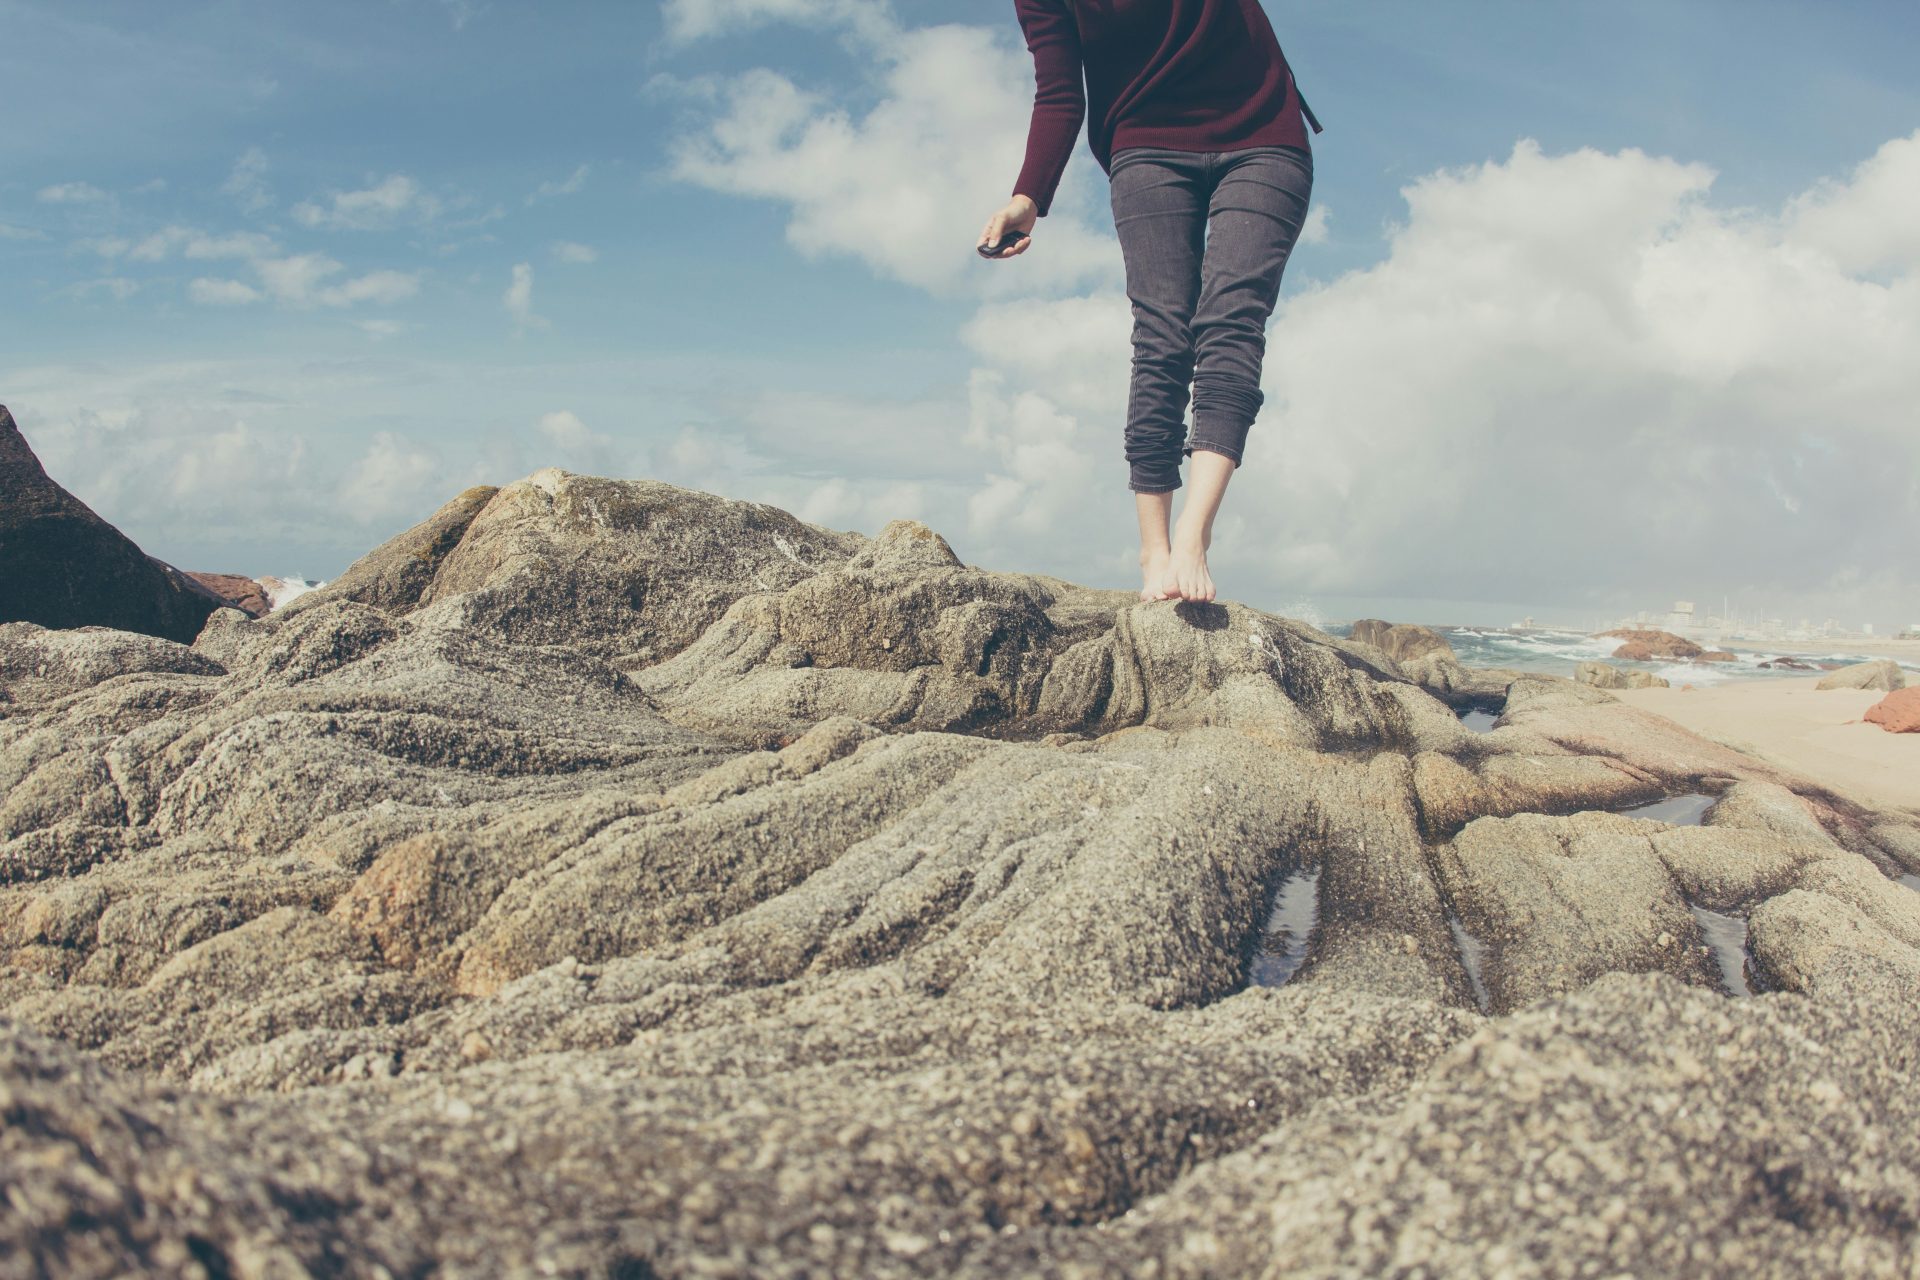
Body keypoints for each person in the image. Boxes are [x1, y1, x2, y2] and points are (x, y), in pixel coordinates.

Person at [979, 0, 1320, 604]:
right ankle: (1154, 547)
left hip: (1263, 132)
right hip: (1146, 144)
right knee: (1162, 335)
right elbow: (1060, 93)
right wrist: (1028, 196)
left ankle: (1194, 534)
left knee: (1232, 320)